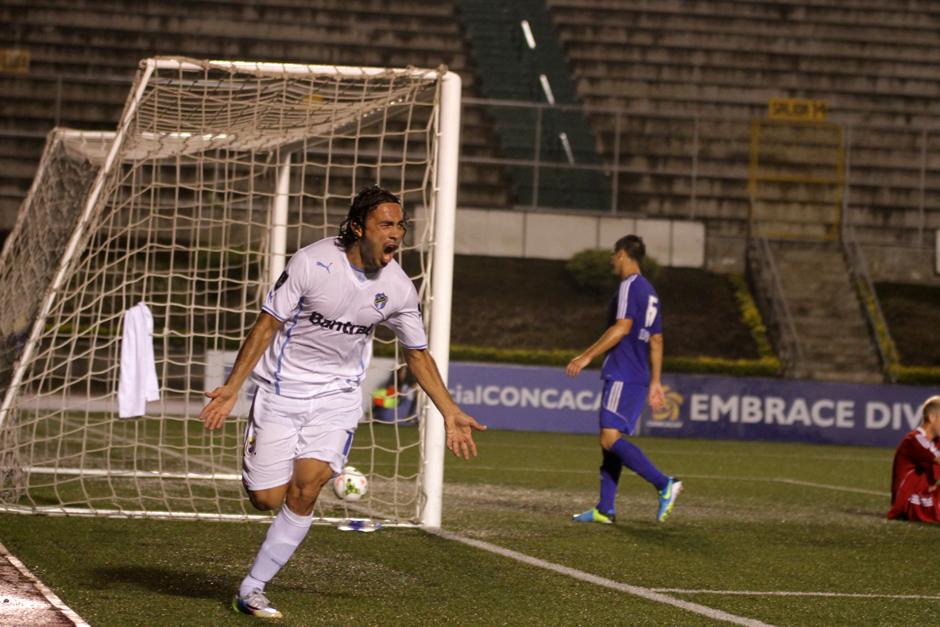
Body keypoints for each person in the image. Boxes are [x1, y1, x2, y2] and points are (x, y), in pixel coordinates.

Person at [199, 185, 486, 619]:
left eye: (401, 225)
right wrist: (233, 386)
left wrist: (449, 410)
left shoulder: (399, 289)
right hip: (281, 391)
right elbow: (266, 326)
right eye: (386, 224)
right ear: (358, 227)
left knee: (307, 488)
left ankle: (253, 588)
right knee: (266, 498)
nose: (397, 233)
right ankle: (270, 467)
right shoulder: (312, 263)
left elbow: (417, 354)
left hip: (337, 398)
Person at [566, 235, 681, 524]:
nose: (611, 260)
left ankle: (663, 483)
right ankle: (605, 508)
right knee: (610, 438)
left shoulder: (629, 286)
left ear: (623, 255)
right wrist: (655, 381)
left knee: (609, 438)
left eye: (613, 254)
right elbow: (656, 339)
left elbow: (621, 328)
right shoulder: (650, 291)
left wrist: (586, 356)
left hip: (623, 372)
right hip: (638, 374)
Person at [888, 395, 940, 523]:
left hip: (926, 497)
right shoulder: (914, 440)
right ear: (932, 417)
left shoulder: (936, 441)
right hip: (909, 503)